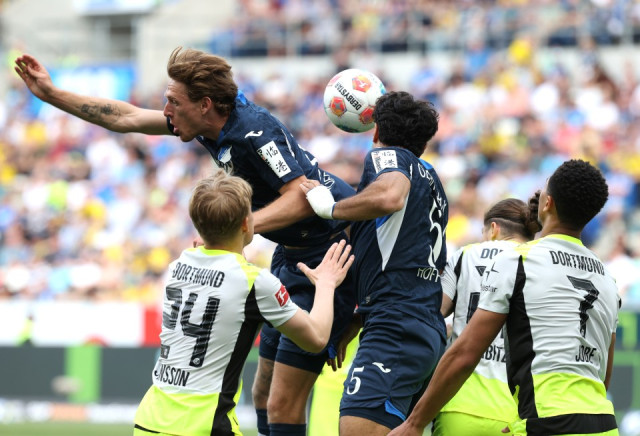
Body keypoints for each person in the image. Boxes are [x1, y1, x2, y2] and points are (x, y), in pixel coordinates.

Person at [14, 48, 357, 436]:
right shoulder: (206, 124)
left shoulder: (254, 132)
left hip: (329, 252)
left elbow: (301, 195)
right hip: (288, 255)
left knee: (282, 402)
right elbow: (126, 118)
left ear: (205, 104)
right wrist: (52, 94)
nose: (166, 110)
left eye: (173, 102)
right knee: (261, 394)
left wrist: (239, 228)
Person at [389, 159, 621, 436]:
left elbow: (465, 353)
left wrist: (414, 423)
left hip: (546, 421)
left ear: (547, 203)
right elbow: (603, 374)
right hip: (603, 423)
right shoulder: (608, 278)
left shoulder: (517, 261)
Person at [133, 170, 354, 436]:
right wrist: (326, 283)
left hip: (149, 420)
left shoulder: (177, 266)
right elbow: (316, 338)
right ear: (247, 224)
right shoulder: (254, 283)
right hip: (203, 424)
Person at [301, 91, 448, 435]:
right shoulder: (432, 179)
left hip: (395, 326)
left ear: (377, 131)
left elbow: (389, 196)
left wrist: (330, 208)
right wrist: (359, 316)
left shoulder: (389, 156)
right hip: (420, 323)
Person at [435, 196, 541, 436]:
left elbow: (435, 313)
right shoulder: (538, 262)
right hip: (516, 415)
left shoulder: (465, 255)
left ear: (493, 229)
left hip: (459, 405)